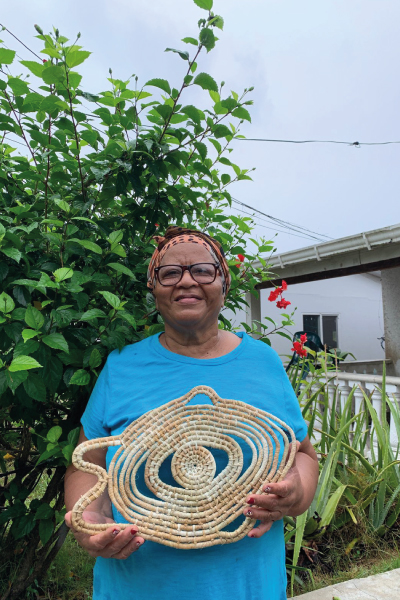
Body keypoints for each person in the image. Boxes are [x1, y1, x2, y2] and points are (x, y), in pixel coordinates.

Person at [65, 226, 319, 600]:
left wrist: (295, 492)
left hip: (248, 587)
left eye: (202, 270)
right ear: (154, 288)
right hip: (140, 588)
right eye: (170, 273)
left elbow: (303, 454)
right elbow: (86, 465)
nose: (186, 281)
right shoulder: (121, 367)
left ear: (223, 284)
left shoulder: (262, 361)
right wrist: (90, 519)